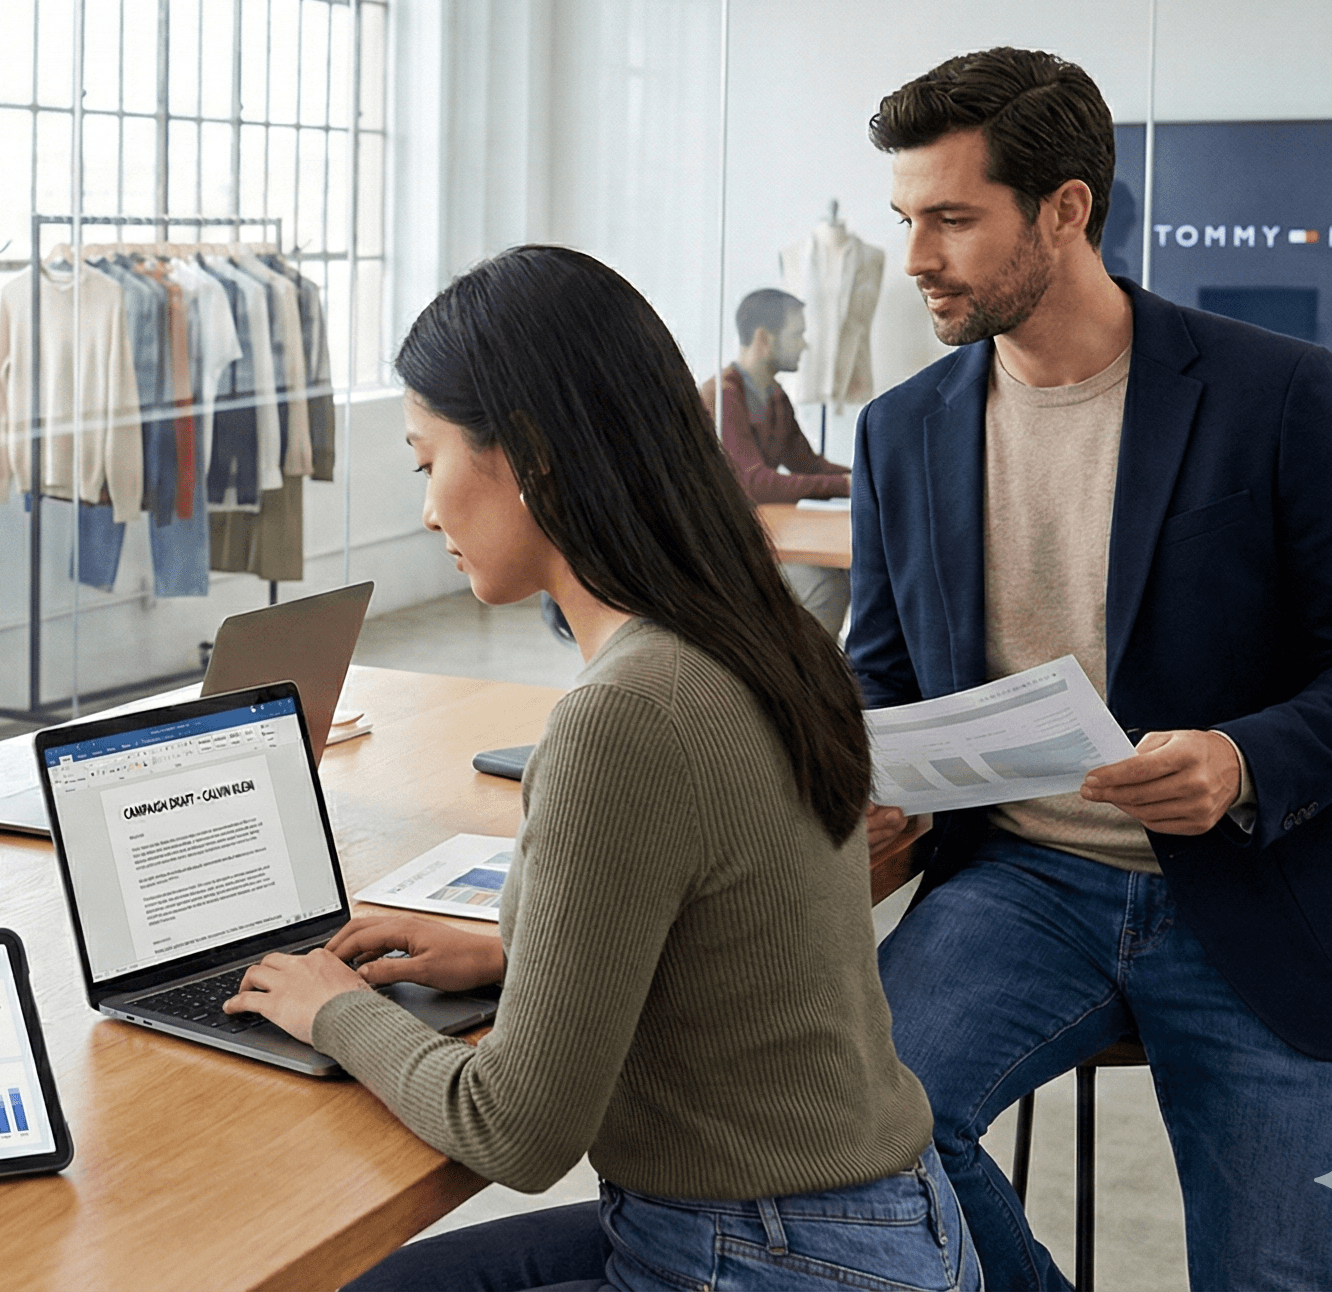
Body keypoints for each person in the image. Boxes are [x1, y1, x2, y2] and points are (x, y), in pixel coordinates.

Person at [226, 247, 974, 1292]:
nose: (428, 510)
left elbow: (515, 1134)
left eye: (423, 460)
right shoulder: (755, 636)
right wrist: (513, 956)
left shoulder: (620, 718)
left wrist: (328, 1007)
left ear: (526, 454)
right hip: (869, 1226)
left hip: (767, 1256)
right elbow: (728, 933)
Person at [853, 48, 1332, 1291]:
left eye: (951, 219)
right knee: (856, 1126)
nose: (914, 258)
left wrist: (1242, 759)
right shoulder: (898, 428)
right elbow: (878, 676)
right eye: (906, 218)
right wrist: (871, 790)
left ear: (1064, 211)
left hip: (1261, 890)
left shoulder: (1273, 391)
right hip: (1015, 879)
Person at [699, 285, 853, 635]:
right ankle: (805, 681)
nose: (805, 344)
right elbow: (754, 483)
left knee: (852, 576)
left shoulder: (775, 396)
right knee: (825, 585)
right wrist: (846, 485)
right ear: (764, 338)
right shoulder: (721, 396)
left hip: (753, 535)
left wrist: (870, 477)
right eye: (797, 334)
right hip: (717, 548)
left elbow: (808, 465)